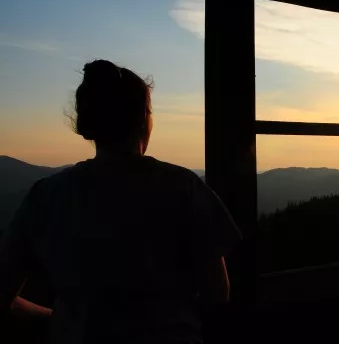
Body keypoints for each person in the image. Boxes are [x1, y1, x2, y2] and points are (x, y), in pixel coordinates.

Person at [0, 59, 242, 343]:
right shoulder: (184, 187)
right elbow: (218, 292)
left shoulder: (45, 196)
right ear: (143, 117)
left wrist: (62, 322)